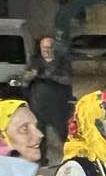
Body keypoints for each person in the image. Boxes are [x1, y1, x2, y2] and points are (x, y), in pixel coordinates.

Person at [26, 35, 73, 165]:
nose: (46, 50)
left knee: (64, 134)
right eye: (43, 48)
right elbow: (26, 79)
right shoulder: (35, 61)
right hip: (38, 106)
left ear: (54, 49)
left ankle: (73, 156)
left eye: (48, 47)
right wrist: (30, 76)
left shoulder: (62, 62)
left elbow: (67, 80)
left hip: (58, 106)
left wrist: (50, 76)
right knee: (39, 135)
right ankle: (41, 160)